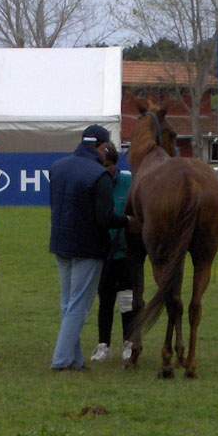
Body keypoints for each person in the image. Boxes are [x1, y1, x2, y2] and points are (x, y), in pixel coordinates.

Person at [48, 125, 132, 371]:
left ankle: (75, 360)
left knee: (67, 303)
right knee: (79, 306)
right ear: (103, 147)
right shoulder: (99, 175)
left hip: (60, 243)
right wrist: (126, 221)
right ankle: (61, 360)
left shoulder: (58, 167)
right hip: (87, 247)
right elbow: (105, 218)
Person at [90, 142, 134, 363]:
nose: (104, 170)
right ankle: (103, 344)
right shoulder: (96, 182)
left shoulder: (128, 182)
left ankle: (128, 343)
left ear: (114, 164)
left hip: (125, 253)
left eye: (107, 165)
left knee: (127, 299)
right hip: (103, 253)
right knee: (105, 299)